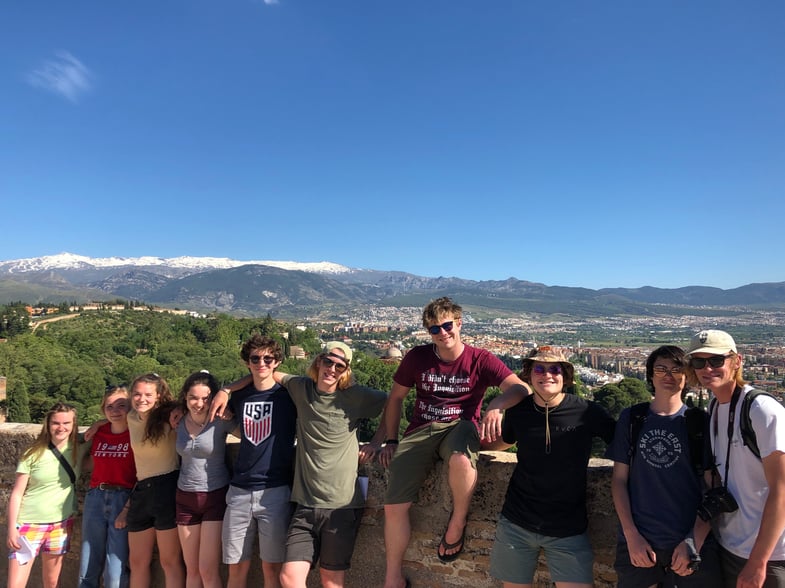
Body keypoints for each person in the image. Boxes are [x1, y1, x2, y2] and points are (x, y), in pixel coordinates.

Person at [379, 297, 532, 588]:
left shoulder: (480, 359)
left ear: (459, 323)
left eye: (447, 325)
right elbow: (396, 398)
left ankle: (458, 520)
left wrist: (496, 405)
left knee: (462, 459)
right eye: (435, 329)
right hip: (421, 429)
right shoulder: (417, 357)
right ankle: (393, 576)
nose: (443, 333)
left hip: (459, 426)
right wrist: (390, 439)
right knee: (394, 505)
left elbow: (520, 388)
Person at [485, 346, 615, 588]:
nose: (547, 375)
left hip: (568, 527)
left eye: (555, 369)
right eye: (539, 369)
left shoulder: (587, 412)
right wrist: (470, 446)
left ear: (565, 376)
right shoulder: (519, 412)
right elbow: (505, 441)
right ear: (529, 375)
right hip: (516, 523)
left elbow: (619, 442)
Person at [606, 345, 722, 587]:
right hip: (640, 543)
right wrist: (631, 536)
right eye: (661, 369)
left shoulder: (700, 423)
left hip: (690, 543)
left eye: (677, 369)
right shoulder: (632, 419)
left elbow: (712, 490)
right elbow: (619, 481)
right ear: (650, 375)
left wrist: (694, 540)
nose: (669, 375)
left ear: (687, 376)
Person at [276, 341, 387, 588]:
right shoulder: (301, 388)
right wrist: (226, 390)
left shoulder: (355, 397)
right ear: (318, 361)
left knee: (331, 581)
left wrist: (378, 442)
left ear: (346, 370)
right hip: (305, 505)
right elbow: (270, 372)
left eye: (340, 365)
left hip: (342, 506)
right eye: (328, 361)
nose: (332, 369)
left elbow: (392, 402)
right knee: (289, 578)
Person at [685, 330, 785, 588]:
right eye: (699, 362)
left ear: (737, 361)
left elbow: (782, 490)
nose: (707, 368)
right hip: (730, 545)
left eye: (717, 360)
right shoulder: (715, 407)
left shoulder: (762, 410)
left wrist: (758, 562)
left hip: (769, 555)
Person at [213, 335, 297, 588]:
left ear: (277, 361)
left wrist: (226, 389)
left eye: (268, 358)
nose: (262, 363)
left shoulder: (289, 395)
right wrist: (225, 391)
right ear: (247, 362)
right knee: (236, 567)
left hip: (275, 490)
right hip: (239, 490)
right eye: (255, 358)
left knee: (272, 567)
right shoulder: (239, 397)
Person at [7, 402, 79, 588]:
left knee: (52, 582)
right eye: (56, 423)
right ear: (48, 424)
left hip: (60, 525)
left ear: (74, 425)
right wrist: (12, 528)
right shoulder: (33, 454)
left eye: (66, 423)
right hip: (28, 525)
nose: (61, 428)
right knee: (16, 584)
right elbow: (17, 493)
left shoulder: (79, 450)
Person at [122, 373, 185, 588]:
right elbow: (111, 415)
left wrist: (179, 410)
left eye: (148, 395)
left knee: (170, 561)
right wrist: (98, 424)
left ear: (158, 396)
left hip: (167, 487)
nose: (142, 399)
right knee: (137, 561)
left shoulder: (170, 417)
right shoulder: (131, 417)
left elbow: (192, 408)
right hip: (141, 491)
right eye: (137, 394)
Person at [175, 371, 233, 588]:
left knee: (207, 569)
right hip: (184, 498)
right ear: (185, 398)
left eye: (205, 398)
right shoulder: (178, 421)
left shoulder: (221, 420)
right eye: (193, 398)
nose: (199, 403)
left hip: (214, 496)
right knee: (191, 570)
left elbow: (252, 435)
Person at [79, 386, 137, 588]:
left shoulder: (137, 433)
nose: (115, 411)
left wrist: (127, 509)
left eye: (121, 406)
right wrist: (98, 423)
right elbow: (85, 462)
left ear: (131, 407)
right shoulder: (100, 432)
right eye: (109, 407)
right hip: (95, 495)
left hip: (123, 497)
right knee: (88, 561)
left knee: (116, 567)